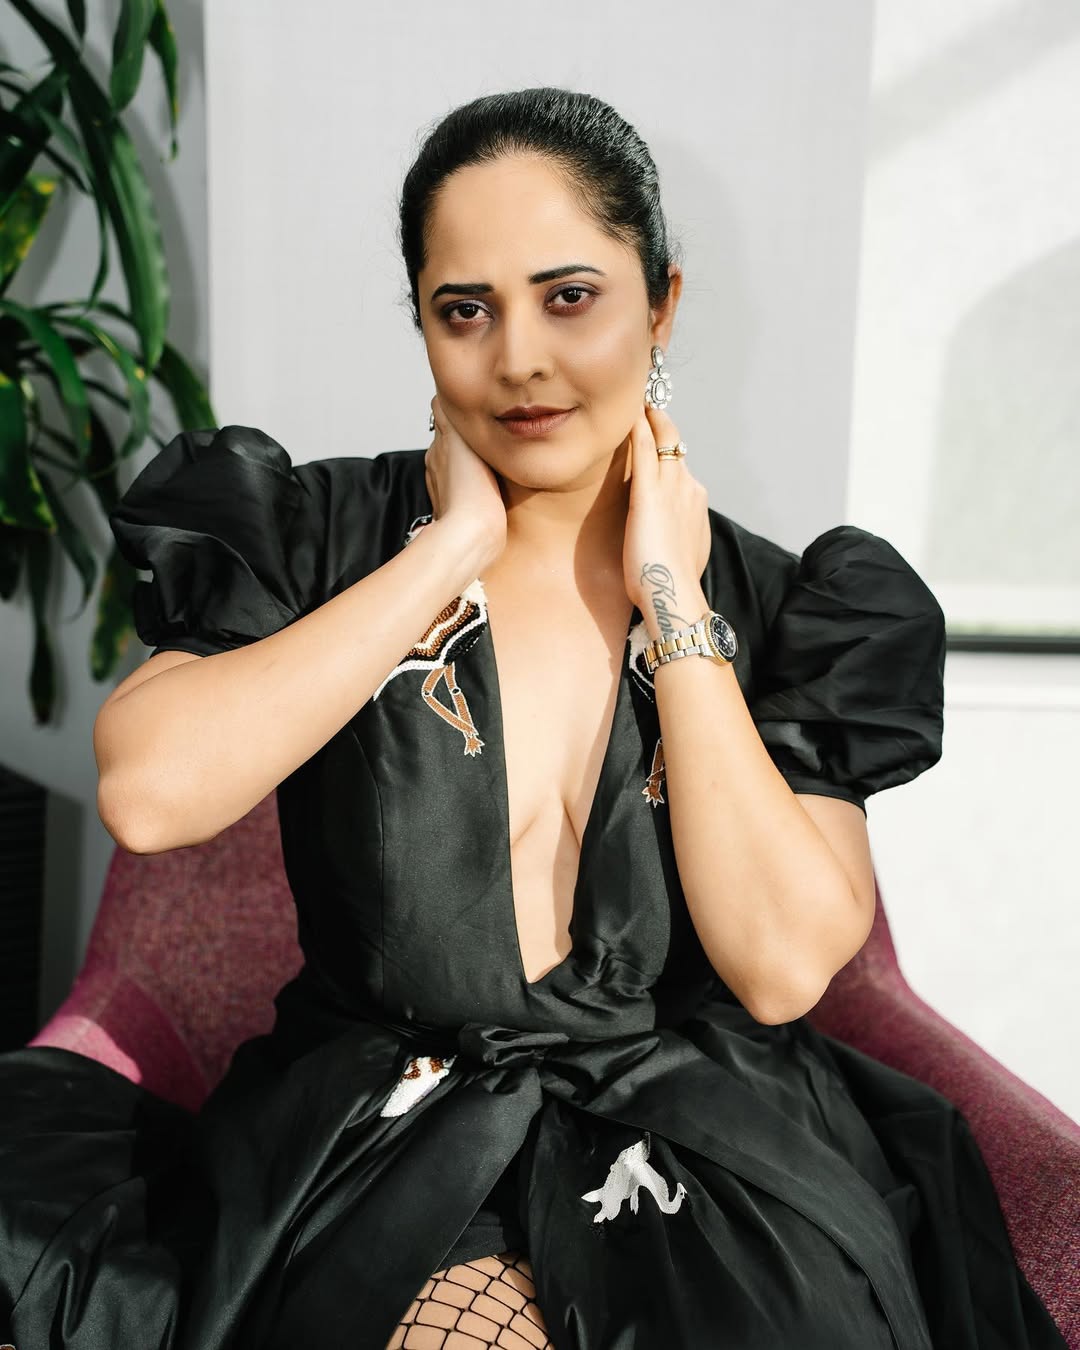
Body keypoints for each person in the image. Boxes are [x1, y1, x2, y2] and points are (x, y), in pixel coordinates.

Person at [0, 86, 1067, 1350]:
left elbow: (783, 968)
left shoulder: (793, 606)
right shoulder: (318, 535)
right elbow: (151, 793)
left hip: (699, 1143)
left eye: (570, 298)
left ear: (661, 303)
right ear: (421, 321)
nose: (518, 359)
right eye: (466, 309)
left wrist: (675, 602)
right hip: (377, 1137)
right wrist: (443, 554)